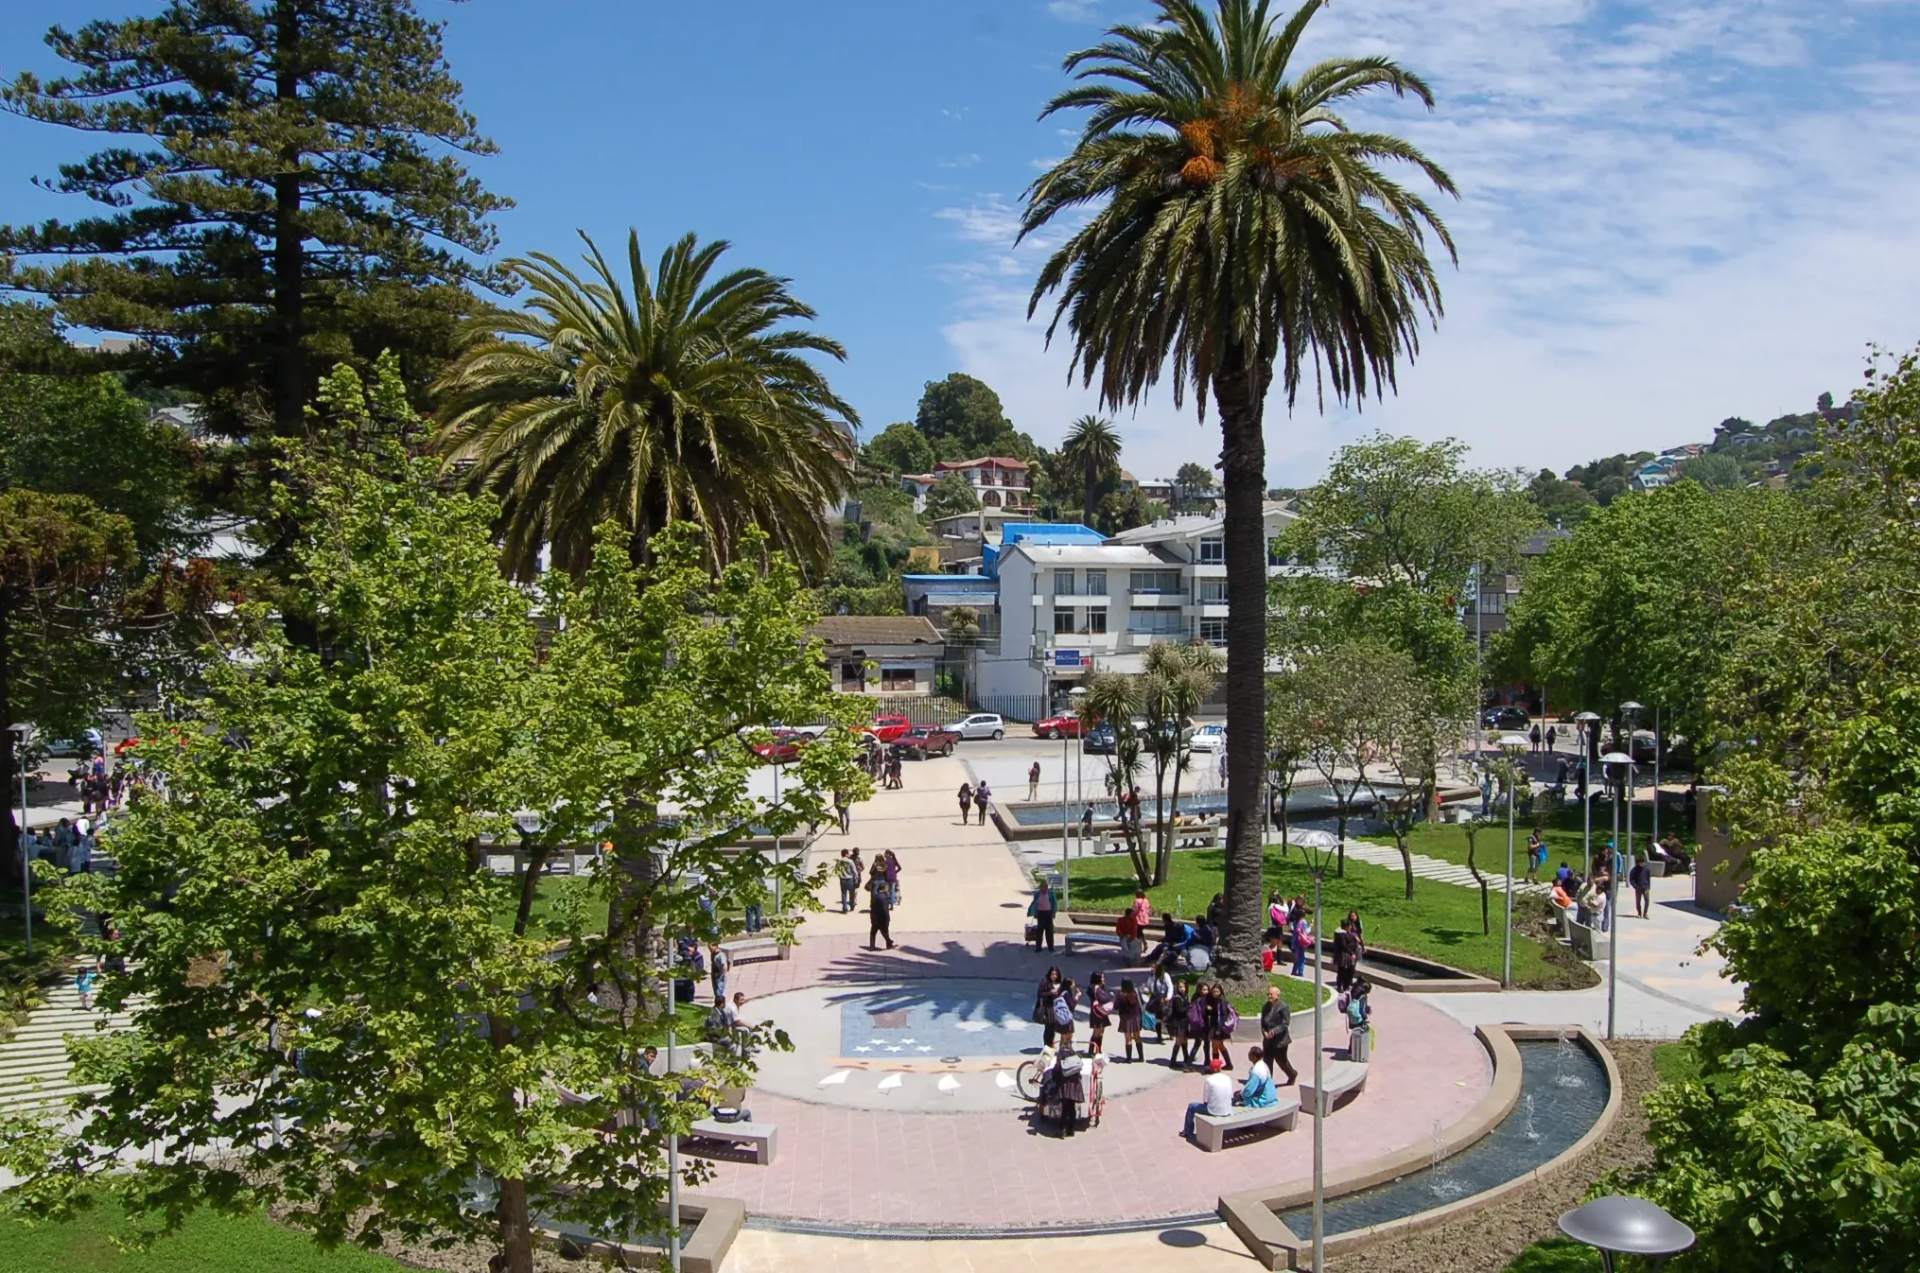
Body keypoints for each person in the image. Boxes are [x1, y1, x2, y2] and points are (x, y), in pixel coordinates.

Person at [1183, 1058, 1236, 1140]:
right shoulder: (1227, 1078)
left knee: (1191, 1106)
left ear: (1211, 1069)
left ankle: (1188, 1132)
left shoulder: (1209, 1080)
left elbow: (1205, 1100)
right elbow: (1231, 1096)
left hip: (1214, 1111)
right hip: (1228, 1109)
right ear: (1220, 1068)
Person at [1259, 984, 1298, 1084]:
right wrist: (1265, 1032)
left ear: (1278, 995)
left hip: (1280, 1041)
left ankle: (1292, 1074)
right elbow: (1263, 1022)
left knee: (1281, 1061)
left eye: (1271, 994)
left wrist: (1274, 1032)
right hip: (1268, 1041)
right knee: (1267, 1061)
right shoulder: (1266, 1007)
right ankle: (1268, 1083)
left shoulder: (1283, 1007)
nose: (1269, 996)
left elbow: (1285, 1023)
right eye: (1268, 994)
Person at [1204, 982, 1236, 1068]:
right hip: (1216, 1027)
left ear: (1221, 992)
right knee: (1220, 1046)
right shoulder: (1214, 1000)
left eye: (1217, 991)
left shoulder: (1222, 1001)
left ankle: (1215, 1067)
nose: (1215, 993)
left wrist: (1219, 1029)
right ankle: (1229, 1064)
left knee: (1215, 1047)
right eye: (1214, 991)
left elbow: (1224, 1015)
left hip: (1219, 1028)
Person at [1115, 976, 1144, 1062]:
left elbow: (1116, 1006)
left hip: (1126, 1019)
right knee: (1137, 1037)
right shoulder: (1135, 993)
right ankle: (1141, 1057)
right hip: (1136, 1017)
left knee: (1128, 1039)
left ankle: (1129, 1058)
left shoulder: (1121, 995)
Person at [1165, 978, 1193, 1068]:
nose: (1182, 988)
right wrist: (1188, 1007)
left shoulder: (1185, 996)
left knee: (1184, 1041)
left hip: (1184, 1023)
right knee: (1179, 1041)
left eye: (1183, 986)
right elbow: (1180, 1010)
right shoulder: (1177, 998)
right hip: (1178, 1023)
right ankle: (1173, 1061)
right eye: (1180, 987)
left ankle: (1186, 1057)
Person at [866, 864, 894, 949]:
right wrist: (887, 919)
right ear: (884, 888)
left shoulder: (875, 895)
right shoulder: (884, 898)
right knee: (884, 930)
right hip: (881, 917)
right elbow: (885, 910)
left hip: (874, 916)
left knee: (873, 931)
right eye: (887, 888)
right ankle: (889, 943)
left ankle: (872, 945)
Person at [1028, 874, 1059, 951]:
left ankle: (1050, 947)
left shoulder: (1051, 894)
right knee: (1039, 931)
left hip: (1048, 913)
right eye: (1043, 887)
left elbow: (1054, 903)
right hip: (1041, 913)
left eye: (1045, 887)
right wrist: (1034, 913)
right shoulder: (1038, 894)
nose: (1044, 889)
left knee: (1049, 931)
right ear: (1041, 887)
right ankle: (1038, 947)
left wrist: (1054, 912)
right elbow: (1035, 903)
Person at [1086, 971, 1113, 1057]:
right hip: (1097, 1013)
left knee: (1100, 1032)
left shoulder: (1097, 987)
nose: (1103, 979)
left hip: (1099, 1012)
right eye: (1102, 977)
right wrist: (1110, 996)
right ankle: (1091, 1051)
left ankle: (1098, 1049)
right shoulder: (1096, 988)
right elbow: (1103, 999)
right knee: (1097, 1033)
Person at [1332, 916, 1361, 992]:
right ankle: (1342, 986)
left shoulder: (1340, 933)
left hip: (1343, 956)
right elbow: (1344, 946)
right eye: (1350, 925)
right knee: (1343, 971)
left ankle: (1343, 986)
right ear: (1347, 926)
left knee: (1343, 971)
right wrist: (1352, 953)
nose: (1351, 927)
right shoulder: (1342, 935)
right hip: (1343, 956)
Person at [1147, 963, 1174, 1045]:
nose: (1152, 969)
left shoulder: (1165, 975)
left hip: (1164, 998)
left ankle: (1171, 1033)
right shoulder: (1152, 977)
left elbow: (1170, 987)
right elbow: (1150, 987)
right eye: (1152, 967)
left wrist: (1168, 997)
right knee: (1158, 1019)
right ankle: (1159, 1036)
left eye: (1154, 967)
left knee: (1166, 1018)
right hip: (1156, 999)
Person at [1290, 909, 1314, 978]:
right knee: (1301, 957)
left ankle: (1294, 971)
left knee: (1297, 957)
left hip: (1296, 941)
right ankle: (1300, 972)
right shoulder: (1303, 922)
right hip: (1301, 942)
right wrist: (1311, 925)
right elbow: (1306, 931)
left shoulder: (1295, 922)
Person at [836, 849, 859, 913]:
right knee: (851, 894)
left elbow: (837, 871)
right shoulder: (850, 861)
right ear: (846, 854)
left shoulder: (839, 862)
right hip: (850, 879)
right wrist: (856, 879)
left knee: (844, 894)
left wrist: (840, 877)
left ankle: (844, 908)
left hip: (842, 879)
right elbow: (854, 871)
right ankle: (852, 905)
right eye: (848, 853)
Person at [709, 942, 731, 1007]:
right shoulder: (713, 954)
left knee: (720, 992)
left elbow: (724, 966)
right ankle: (717, 1005)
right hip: (714, 974)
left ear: (716, 946)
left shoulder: (721, 955)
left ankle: (721, 1005)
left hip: (720, 975)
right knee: (716, 992)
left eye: (711, 946)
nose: (710, 948)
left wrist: (721, 976)